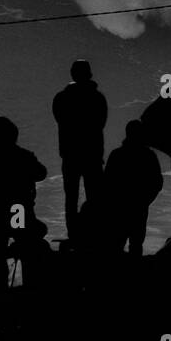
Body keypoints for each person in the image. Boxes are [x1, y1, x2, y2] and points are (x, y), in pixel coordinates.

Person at [0, 117, 48, 292]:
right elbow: (41, 173)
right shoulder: (23, 156)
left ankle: (0, 294)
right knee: (25, 250)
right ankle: (28, 291)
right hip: (18, 210)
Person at [52, 59, 108, 238]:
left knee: (71, 199)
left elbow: (61, 120)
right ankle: (94, 233)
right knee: (94, 198)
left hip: (70, 156)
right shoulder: (97, 98)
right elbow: (100, 124)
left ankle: (74, 234)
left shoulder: (61, 98)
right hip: (91, 155)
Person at [102, 120, 164, 257]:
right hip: (139, 207)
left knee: (117, 245)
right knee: (135, 245)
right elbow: (157, 183)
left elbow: (106, 183)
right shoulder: (149, 156)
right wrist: (145, 200)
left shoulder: (117, 155)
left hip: (119, 208)